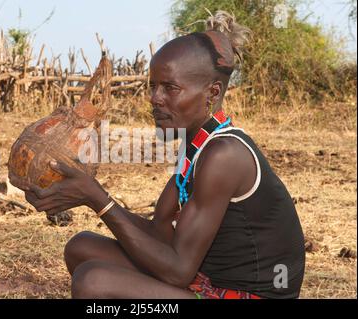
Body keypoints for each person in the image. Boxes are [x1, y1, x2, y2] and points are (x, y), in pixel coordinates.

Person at [25, 11, 305, 299]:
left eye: (170, 88)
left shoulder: (225, 154)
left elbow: (178, 271)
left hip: (241, 295)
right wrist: (85, 195)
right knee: (81, 247)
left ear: (213, 92)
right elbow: (160, 234)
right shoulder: (197, 144)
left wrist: (98, 199)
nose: (155, 98)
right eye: (153, 86)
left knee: (92, 282)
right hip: (207, 280)